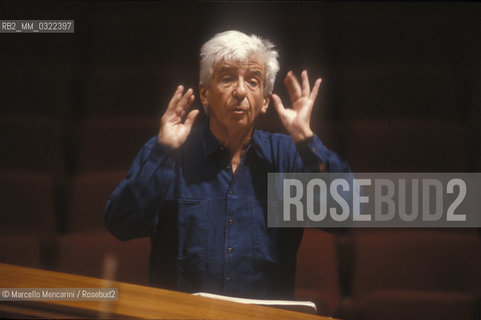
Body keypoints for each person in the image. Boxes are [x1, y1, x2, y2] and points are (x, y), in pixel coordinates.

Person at [105, 30, 350, 299]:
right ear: (205, 94)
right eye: (227, 78)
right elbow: (122, 224)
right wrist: (162, 154)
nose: (241, 91)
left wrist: (306, 139)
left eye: (253, 81)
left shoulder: (287, 157)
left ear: (265, 101)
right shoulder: (170, 149)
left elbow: (344, 216)